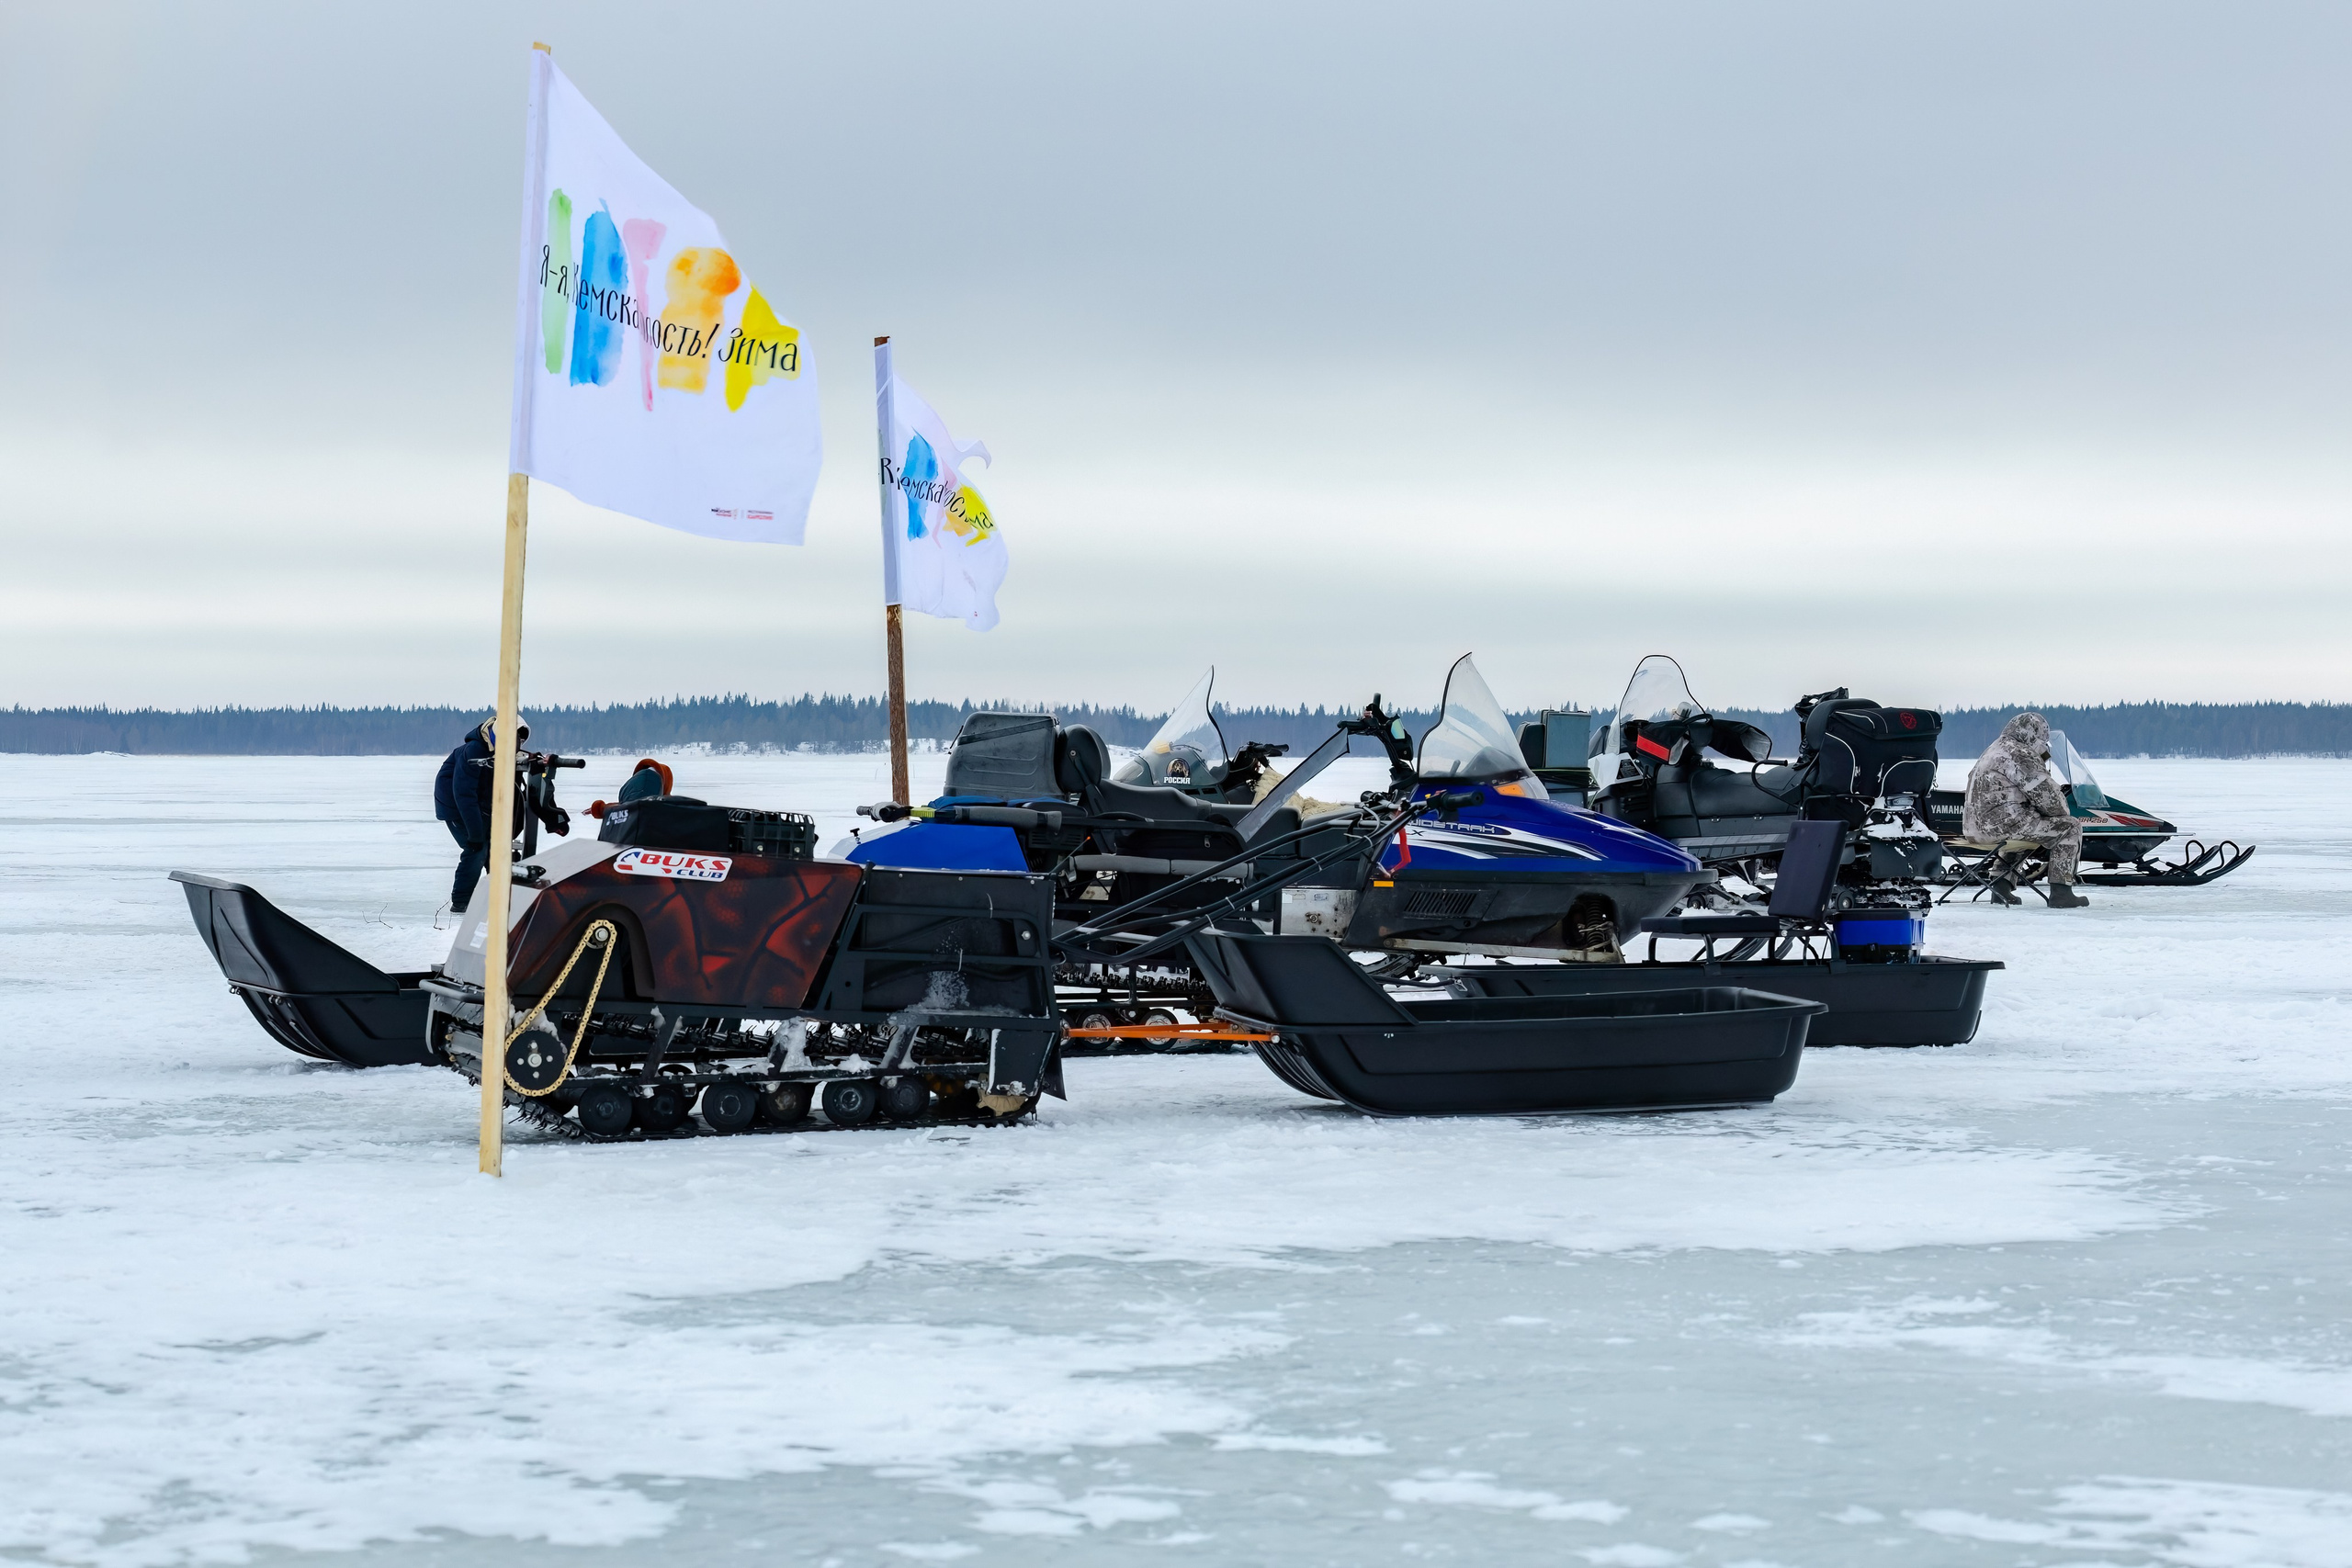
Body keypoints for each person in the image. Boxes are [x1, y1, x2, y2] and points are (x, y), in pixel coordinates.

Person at [1963, 711, 2088, 908]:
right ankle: (2062, 892)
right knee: (2069, 827)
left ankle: (2000, 886)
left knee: (2026, 825)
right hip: (2001, 827)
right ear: (2036, 734)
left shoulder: (1994, 749)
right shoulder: (2020, 754)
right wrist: (2062, 807)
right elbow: (2050, 801)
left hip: (1975, 829)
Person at [433, 716, 527, 912]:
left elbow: (523, 764)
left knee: (496, 849)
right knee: (477, 848)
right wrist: (475, 833)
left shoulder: (503, 752)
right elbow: (464, 794)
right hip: (455, 806)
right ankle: (461, 903)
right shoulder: (474, 751)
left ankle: (501, 897)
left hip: (481, 806)